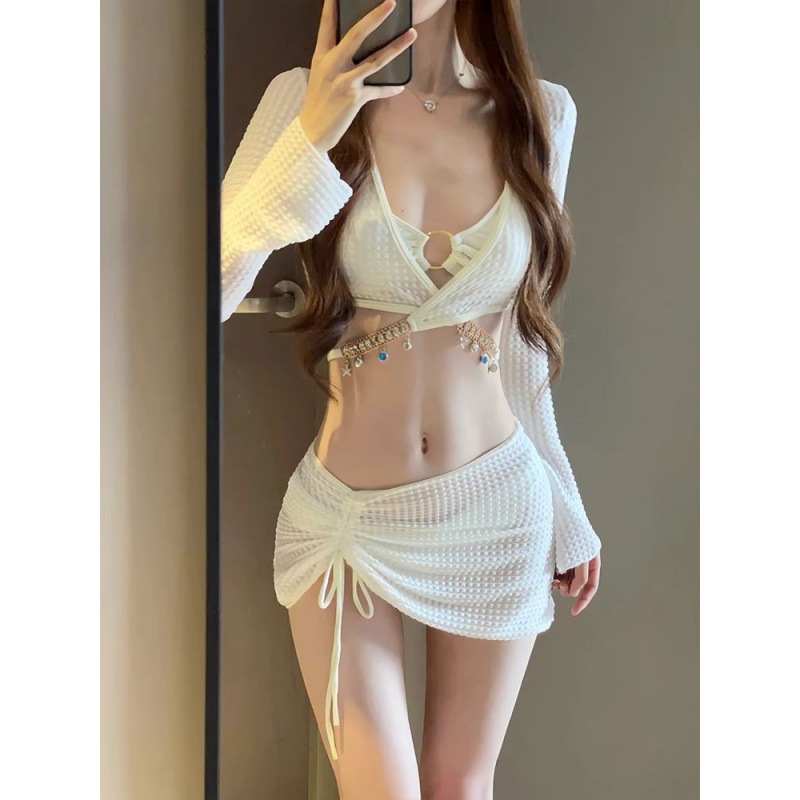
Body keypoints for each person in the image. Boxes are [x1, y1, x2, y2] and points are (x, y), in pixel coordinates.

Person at [221, 0, 602, 796]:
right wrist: (311, 137)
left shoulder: (542, 112)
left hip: (498, 504)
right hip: (346, 522)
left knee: (461, 785)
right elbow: (206, 288)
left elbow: (521, 342)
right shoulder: (301, 98)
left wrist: (567, 508)